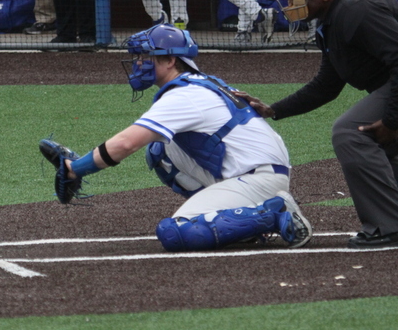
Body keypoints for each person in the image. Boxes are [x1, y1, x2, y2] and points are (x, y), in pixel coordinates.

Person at [39, 23, 312, 252]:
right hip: (252, 170)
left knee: (176, 233)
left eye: (146, 56)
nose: (138, 63)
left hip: (258, 177)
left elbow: (126, 143)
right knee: (160, 149)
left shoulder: (185, 95)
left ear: (170, 60)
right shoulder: (200, 83)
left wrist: (75, 169)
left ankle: (275, 213)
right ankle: (238, 218)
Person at [237, 0, 398, 249]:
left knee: (351, 132)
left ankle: (389, 227)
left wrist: (392, 121)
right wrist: (274, 109)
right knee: (383, 142)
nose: (291, 0)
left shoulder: (358, 11)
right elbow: (327, 84)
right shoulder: (333, 18)